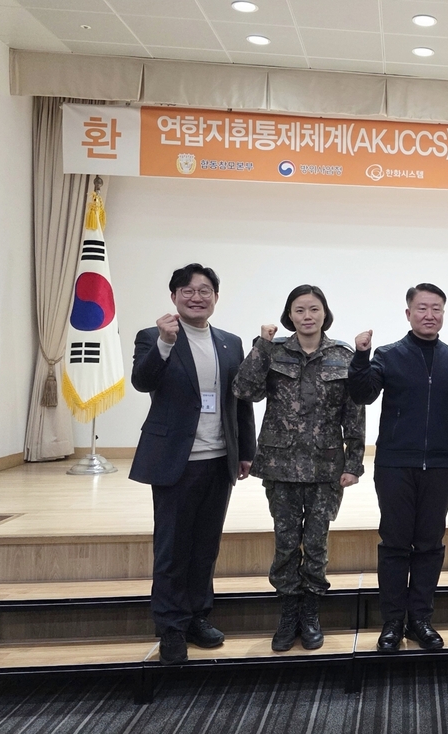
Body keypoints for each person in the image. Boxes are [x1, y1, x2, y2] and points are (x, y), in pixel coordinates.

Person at [129, 263, 256, 665]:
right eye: (187, 290)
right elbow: (142, 381)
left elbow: (240, 400)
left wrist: (246, 450)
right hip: (175, 461)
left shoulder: (230, 343)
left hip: (218, 459)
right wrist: (165, 344)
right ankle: (171, 626)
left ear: (216, 297)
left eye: (204, 291)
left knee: (205, 546)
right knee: (172, 548)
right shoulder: (153, 336)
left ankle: (199, 616)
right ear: (174, 297)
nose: (196, 297)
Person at [232, 285, 364, 652]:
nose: (307, 316)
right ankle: (288, 612)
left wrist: (354, 463)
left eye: (314, 309)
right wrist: (261, 346)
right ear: (289, 315)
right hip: (281, 465)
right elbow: (245, 390)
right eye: (300, 310)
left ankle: (311, 613)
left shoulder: (342, 356)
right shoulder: (272, 351)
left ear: (325, 313)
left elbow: (354, 413)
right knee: (286, 542)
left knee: (316, 543)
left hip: (326, 466)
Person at [348, 283, 448, 652]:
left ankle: (420, 619)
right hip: (394, 464)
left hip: (439, 465)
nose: (429, 315)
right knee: (395, 543)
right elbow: (363, 394)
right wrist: (361, 357)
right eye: (422, 308)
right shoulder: (388, 355)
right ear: (408, 313)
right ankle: (392, 621)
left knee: (430, 544)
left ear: (443, 314)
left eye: (436, 309)